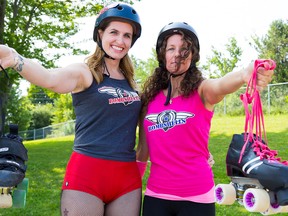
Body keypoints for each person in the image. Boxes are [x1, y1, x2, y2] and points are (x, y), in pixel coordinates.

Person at [0, 2, 143, 216]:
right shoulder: (85, 72)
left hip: (127, 180)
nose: (120, 41)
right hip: (87, 175)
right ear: (100, 33)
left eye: (127, 35)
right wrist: (14, 59)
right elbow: (50, 78)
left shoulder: (133, 85)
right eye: (114, 32)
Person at [136, 22, 274, 216]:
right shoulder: (149, 100)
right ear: (162, 54)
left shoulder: (202, 90)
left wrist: (245, 73)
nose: (177, 54)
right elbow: (142, 152)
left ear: (192, 56)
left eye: (184, 49)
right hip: (156, 197)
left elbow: (221, 85)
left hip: (197, 196)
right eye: (171, 49)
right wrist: (131, 190)